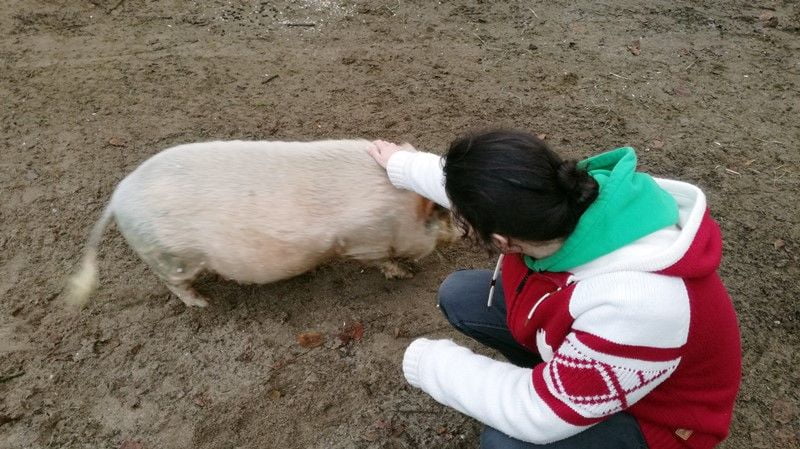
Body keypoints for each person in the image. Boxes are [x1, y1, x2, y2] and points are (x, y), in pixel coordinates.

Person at [367, 130, 741, 449]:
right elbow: (487, 192)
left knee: (505, 443)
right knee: (462, 296)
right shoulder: (562, 200)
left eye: (464, 224)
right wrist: (403, 165)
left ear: (502, 241)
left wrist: (427, 362)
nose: (458, 221)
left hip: (658, 417)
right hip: (609, 357)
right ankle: (567, 371)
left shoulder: (638, 305)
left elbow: (538, 412)